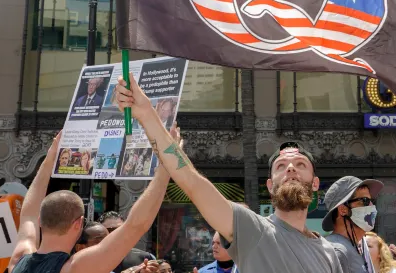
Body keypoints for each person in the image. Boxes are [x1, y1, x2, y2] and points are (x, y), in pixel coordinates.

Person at [114, 73, 343, 273]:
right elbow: (192, 183)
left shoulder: (329, 253)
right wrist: (145, 113)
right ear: (270, 186)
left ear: (315, 184)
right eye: (281, 166)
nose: (291, 167)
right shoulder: (252, 230)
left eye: (300, 164)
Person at [6, 128, 175, 273]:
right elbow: (135, 225)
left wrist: (49, 160)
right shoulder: (76, 267)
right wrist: (166, 165)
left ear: (40, 221)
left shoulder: (19, 259)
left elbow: (28, 213)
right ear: (78, 224)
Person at [322, 176, 384, 273]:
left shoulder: (355, 247)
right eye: (365, 201)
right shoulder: (337, 251)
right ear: (343, 210)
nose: (372, 206)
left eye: (371, 201)